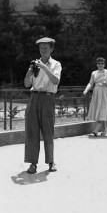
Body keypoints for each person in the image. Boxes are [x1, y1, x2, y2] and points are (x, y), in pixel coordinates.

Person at [24, 37, 62, 174]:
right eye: (41, 48)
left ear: (52, 49)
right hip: (34, 97)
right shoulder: (34, 64)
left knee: (48, 131)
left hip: (47, 98)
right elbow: (27, 84)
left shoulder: (56, 64)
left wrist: (45, 67)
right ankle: (32, 163)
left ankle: (51, 162)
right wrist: (29, 73)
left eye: (46, 47)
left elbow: (56, 80)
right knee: (32, 131)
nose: (43, 50)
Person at [83, 57, 107, 136]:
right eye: (99, 63)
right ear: (97, 64)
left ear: (104, 64)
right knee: (99, 108)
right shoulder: (94, 73)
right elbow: (91, 83)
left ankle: (96, 130)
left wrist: (106, 83)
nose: (100, 65)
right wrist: (86, 90)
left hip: (104, 92)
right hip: (96, 92)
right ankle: (104, 129)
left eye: (102, 63)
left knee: (102, 108)